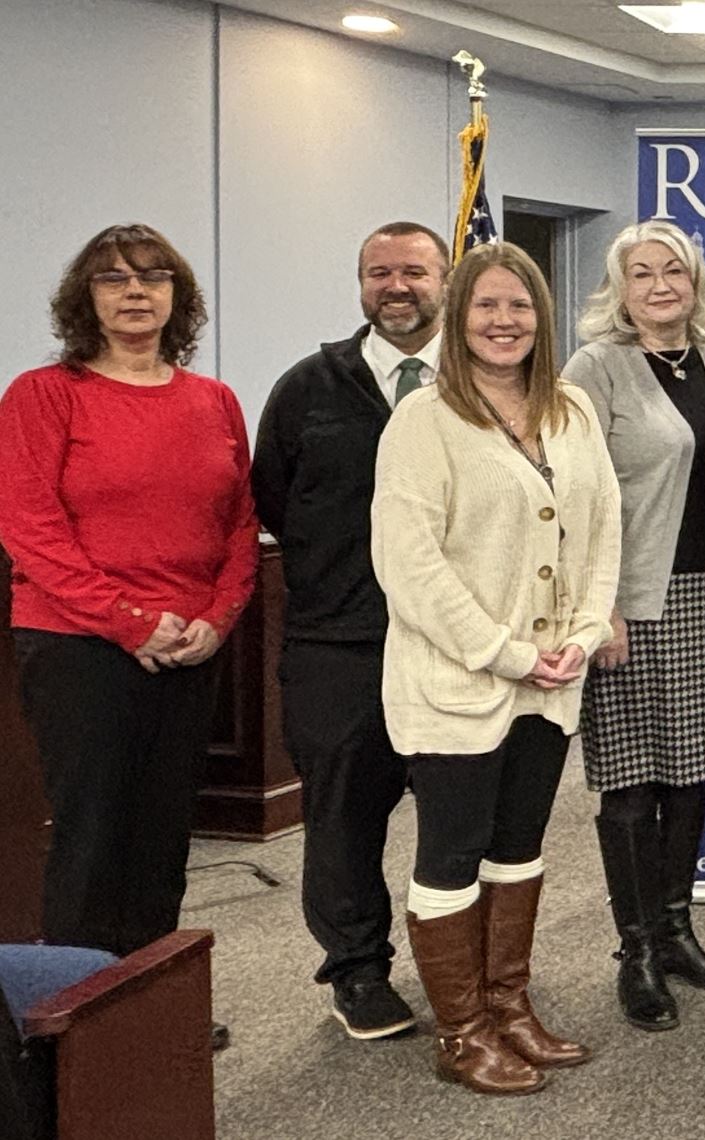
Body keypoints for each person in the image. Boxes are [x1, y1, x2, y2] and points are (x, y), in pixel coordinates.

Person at [371, 240, 619, 1094]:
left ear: (541, 319)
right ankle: (462, 1031)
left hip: (551, 684)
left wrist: (583, 635)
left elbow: (601, 533)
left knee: (518, 846)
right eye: (487, 306)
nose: (504, 322)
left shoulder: (573, 410)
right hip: (460, 683)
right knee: (452, 850)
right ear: (458, 318)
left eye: (520, 307)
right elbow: (410, 566)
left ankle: (509, 1007)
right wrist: (508, 653)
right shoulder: (423, 420)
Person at [1, 225, 256, 974]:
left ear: (178, 297)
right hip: (79, 646)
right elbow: (30, 528)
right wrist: (129, 623)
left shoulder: (214, 401)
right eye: (114, 279)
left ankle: (149, 1007)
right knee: (93, 831)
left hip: (188, 648)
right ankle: (77, 1012)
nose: (136, 291)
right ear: (87, 297)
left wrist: (216, 621)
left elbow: (239, 524)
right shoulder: (44, 395)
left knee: (164, 832)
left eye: (153, 277)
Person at [250, 220, 448, 1041]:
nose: (395, 287)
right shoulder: (308, 387)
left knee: (458, 819)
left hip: (452, 644)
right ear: (361, 283)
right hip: (339, 643)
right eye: (379, 273)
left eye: (414, 272)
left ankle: (462, 969)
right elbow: (271, 500)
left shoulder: (482, 380)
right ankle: (358, 971)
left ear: (446, 280)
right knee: (342, 816)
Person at [562, 221, 705, 1032]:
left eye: (674, 270)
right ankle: (634, 949)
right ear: (621, 287)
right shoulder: (594, 369)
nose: (661, 285)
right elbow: (572, 493)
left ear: (696, 280)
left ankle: (677, 929)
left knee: (689, 772)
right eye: (643, 273)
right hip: (633, 601)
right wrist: (595, 604)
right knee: (632, 780)